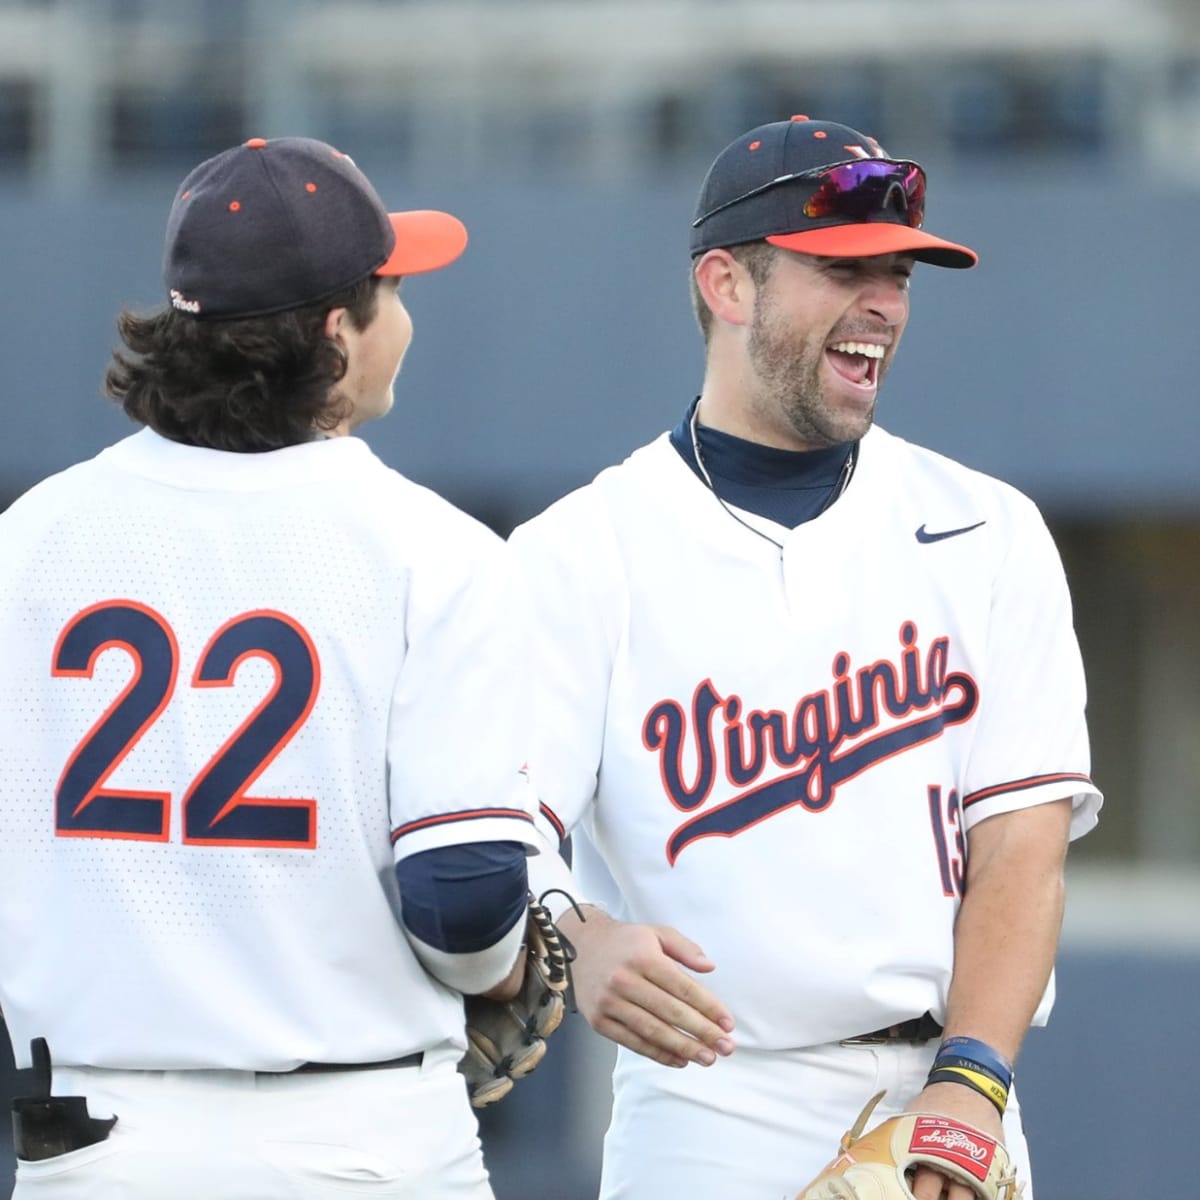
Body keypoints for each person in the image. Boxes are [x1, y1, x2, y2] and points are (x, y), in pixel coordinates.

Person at [511, 115, 1102, 1200]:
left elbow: (1022, 847)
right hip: (707, 1110)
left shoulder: (988, 528)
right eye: (844, 269)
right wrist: (576, 940)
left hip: (949, 1087)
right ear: (729, 286)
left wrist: (974, 1085)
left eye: (900, 273)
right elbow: (501, 833)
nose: (884, 301)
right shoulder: (580, 552)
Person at [0, 136, 538, 1200]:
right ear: (338, 335)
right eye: (394, 290)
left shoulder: (30, 540)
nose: (409, 319)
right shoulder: (436, 552)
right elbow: (466, 902)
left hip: (101, 1138)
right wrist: (509, 968)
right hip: (363, 1136)